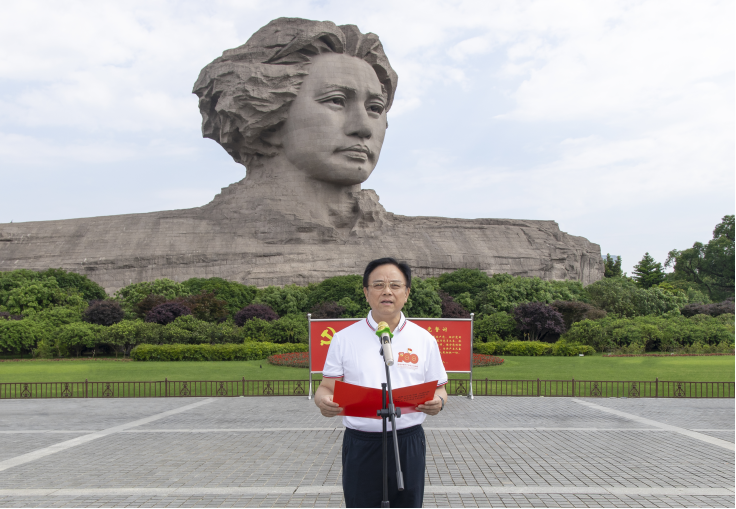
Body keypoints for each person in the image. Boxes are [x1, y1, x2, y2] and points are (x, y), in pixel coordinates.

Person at [315, 257, 448, 508]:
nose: (387, 291)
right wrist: (323, 402)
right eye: (378, 285)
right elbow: (326, 387)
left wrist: (438, 402)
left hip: (407, 442)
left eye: (395, 285)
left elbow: (440, 388)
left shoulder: (424, 339)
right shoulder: (344, 338)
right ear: (366, 292)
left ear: (407, 293)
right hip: (362, 443)